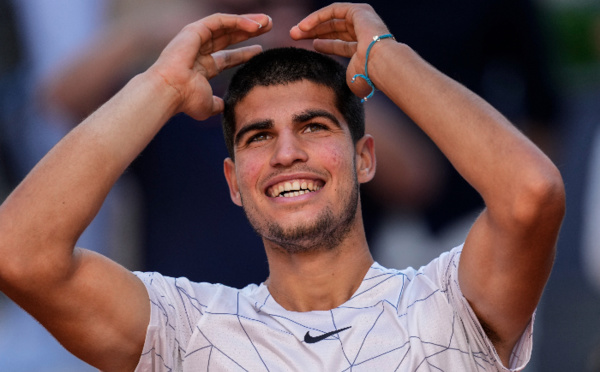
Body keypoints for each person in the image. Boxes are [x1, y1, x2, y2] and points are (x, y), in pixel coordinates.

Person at [0, 3, 565, 371]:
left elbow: (531, 195)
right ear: (234, 183)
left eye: (313, 126)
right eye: (257, 137)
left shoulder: (445, 306)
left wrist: (386, 57)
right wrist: (161, 84)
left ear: (365, 158)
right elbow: (20, 253)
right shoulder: (189, 330)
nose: (286, 152)